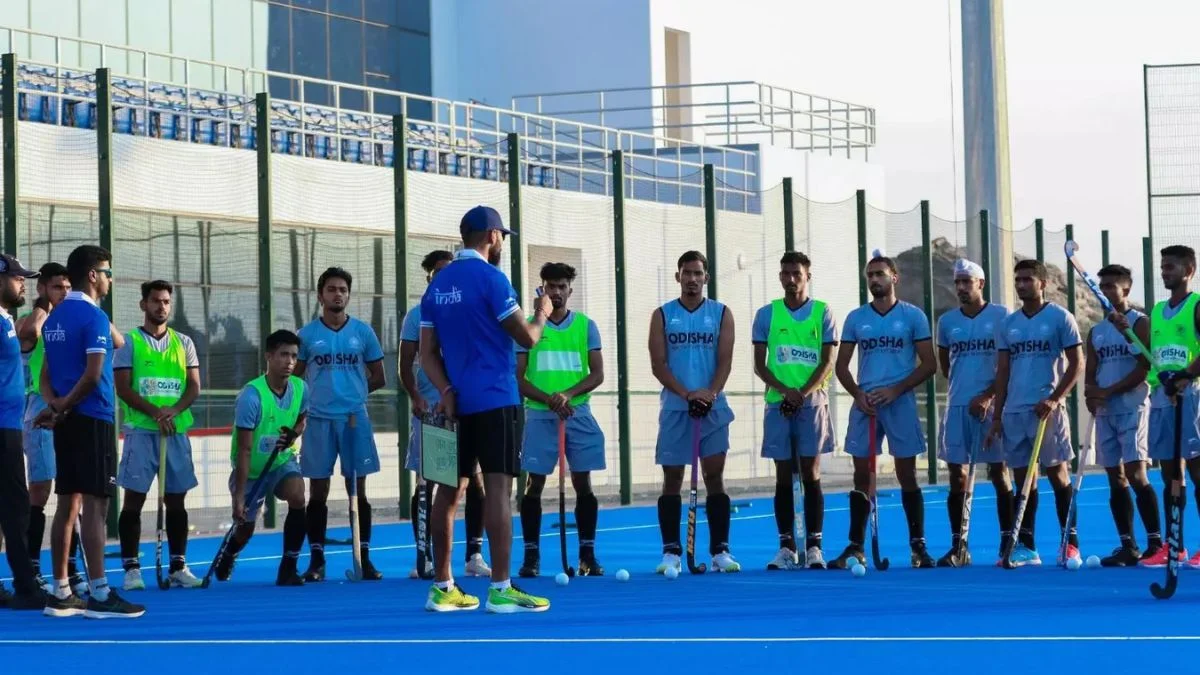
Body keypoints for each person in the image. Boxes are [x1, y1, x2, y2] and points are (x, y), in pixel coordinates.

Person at [419, 204, 552, 613]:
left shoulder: (437, 285)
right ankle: (501, 587)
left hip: (455, 403)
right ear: (492, 236)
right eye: (501, 237)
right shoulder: (494, 279)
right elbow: (528, 338)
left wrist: (445, 389)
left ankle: (442, 586)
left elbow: (426, 353)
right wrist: (543, 313)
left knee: (447, 491)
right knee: (498, 490)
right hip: (495, 398)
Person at [35, 245, 144, 618]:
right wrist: (63, 406)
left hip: (66, 421)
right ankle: (99, 593)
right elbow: (95, 373)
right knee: (96, 507)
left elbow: (45, 376)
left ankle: (61, 590)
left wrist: (54, 407)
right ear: (93, 275)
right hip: (92, 418)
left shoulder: (55, 318)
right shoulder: (93, 318)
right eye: (107, 272)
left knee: (68, 504)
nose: (111, 279)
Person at [833, 253, 938, 569]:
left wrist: (895, 390)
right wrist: (857, 394)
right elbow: (841, 366)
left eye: (880, 274)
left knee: (907, 473)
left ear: (894, 277)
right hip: (866, 404)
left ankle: (918, 547)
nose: (874, 280)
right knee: (861, 474)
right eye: (870, 275)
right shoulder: (856, 317)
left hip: (900, 401)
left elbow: (930, 364)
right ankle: (855, 546)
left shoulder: (913, 316)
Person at [399, 249, 490, 580]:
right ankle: (424, 556)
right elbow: (407, 361)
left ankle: (474, 554)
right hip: (432, 410)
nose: (445, 277)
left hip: (468, 408)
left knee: (473, 482)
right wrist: (416, 396)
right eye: (438, 272)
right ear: (429, 277)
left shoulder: (467, 312)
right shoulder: (416, 315)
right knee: (428, 485)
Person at [649, 250, 739, 575]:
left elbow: (725, 361)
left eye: (698, 273)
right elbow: (658, 365)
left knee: (714, 475)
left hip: (712, 407)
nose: (692, 279)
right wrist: (687, 394)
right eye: (686, 273)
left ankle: (720, 552)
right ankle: (671, 551)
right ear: (678, 277)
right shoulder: (662, 315)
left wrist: (709, 394)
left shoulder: (721, 313)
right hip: (676, 407)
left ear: (706, 277)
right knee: (672, 478)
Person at [294, 267, 387, 582]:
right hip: (318, 420)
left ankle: (364, 558)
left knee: (357, 488)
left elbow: (379, 376)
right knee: (317, 490)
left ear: (348, 295)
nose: (338, 294)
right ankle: (317, 561)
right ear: (320, 295)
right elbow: (296, 379)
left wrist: (354, 394)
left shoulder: (363, 333)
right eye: (332, 289)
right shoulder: (307, 336)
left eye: (343, 290)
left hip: (353, 419)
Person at [989, 259, 1082, 568]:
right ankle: (1027, 546)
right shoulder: (1009, 323)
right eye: (1018, 280)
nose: (1021, 284)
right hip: (1015, 411)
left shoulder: (1060, 318)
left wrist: (1055, 399)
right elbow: (1002, 372)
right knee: (1022, 481)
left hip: (1047, 412)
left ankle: (1070, 543)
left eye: (1028, 279)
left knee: (1058, 474)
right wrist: (998, 415)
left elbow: (1076, 364)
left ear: (1042, 284)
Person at [517, 262, 607, 577]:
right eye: (550, 286)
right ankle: (531, 557)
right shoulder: (528, 327)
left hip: (577, 412)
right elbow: (518, 380)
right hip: (541, 414)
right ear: (541, 288)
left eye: (561, 287)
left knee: (583, 483)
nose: (556, 292)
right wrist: (550, 400)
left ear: (570, 289)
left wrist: (566, 395)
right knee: (534, 484)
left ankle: (587, 555)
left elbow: (597, 373)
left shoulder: (586, 326)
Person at [114, 280, 204, 589]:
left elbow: (194, 386)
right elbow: (123, 387)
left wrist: (174, 411)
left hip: (175, 432)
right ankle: (131, 569)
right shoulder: (129, 343)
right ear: (143, 305)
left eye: (166, 301)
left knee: (177, 502)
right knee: (133, 502)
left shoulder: (184, 343)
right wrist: (155, 412)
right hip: (142, 432)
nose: (161, 306)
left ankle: (178, 566)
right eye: (155, 301)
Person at [751, 251, 837, 570]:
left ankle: (814, 546)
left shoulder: (823, 312)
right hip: (778, 404)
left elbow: (827, 361)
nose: (790, 279)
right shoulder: (766, 314)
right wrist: (785, 391)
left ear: (807, 277)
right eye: (785, 274)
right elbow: (760, 364)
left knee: (812, 473)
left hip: (811, 403)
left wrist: (800, 393)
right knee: (783, 476)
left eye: (796, 274)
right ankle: (786, 547)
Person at [212, 329, 309, 586]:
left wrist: (294, 434)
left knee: (298, 495)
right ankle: (230, 552)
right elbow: (244, 449)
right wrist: (239, 496)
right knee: (245, 529)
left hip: (280, 461)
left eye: (294, 356)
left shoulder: (300, 388)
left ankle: (288, 567)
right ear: (268, 356)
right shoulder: (251, 396)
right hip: (251, 468)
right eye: (283, 355)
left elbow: (302, 418)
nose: (289, 361)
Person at [934, 259, 1012, 567]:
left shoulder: (1002, 316)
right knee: (957, 475)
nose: (962, 288)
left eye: (968, 281)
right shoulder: (946, 322)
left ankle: (1008, 541)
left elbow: (1008, 365)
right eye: (958, 282)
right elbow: (944, 365)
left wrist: (988, 395)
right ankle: (959, 546)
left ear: (981, 284)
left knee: (998, 472)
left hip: (993, 407)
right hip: (958, 406)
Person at [1084, 264, 1161, 567]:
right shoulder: (1096, 332)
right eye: (1101, 287)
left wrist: (1110, 391)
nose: (1105, 292)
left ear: (1126, 289)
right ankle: (1128, 545)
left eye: (1111, 287)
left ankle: (1155, 542)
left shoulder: (1139, 322)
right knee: (1114, 476)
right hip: (1106, 412)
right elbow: (1091, 371)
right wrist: (1092, 394)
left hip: (1132, 407)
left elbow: (1145, 365)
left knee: (1136, 473)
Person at [15, 262, 84, 595]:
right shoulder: (32, 322)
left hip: (70, 408)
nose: (65, 293)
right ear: (42, 288)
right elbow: (29, 334)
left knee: (74, 491)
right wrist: (45, 305)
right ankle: (30, 567)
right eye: (57, 287)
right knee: (40, 491)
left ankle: (70, 567)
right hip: (40, 409)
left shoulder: (72, 322)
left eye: (69, 287)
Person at [1142, 245, 1200, 568]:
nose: (1165, 272)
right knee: (1170, 474)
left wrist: (1186, 375)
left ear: (1189, 270)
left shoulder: (1196, 305)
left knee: (1196, 471)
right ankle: (1174, 543)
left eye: (1172, 267)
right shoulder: (1157, 310)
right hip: (1163, 399)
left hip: (1191, 397)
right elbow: (1156, 355)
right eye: (1163, 267)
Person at [0, 253, 49, 609]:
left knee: (11, 506)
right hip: (2, 427)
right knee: (17, 506)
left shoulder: (4, 320)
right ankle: (26, 587)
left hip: (9, 424)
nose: (22, 283)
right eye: (17, 278)